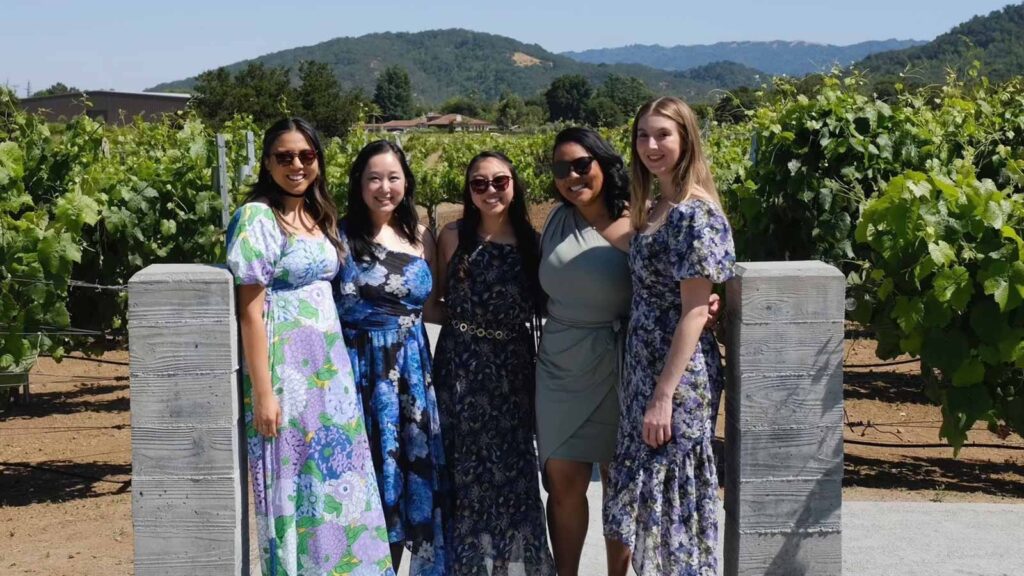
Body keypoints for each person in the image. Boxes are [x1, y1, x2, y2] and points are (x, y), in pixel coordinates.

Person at [226, 117, 394, 576]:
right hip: (287, 373)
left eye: (306, 155)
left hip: (329, 372)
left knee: (335, 479)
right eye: (285, 157)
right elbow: (249, 312)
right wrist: (263, 392)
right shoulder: (258, 217)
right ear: (266, 163)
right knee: (296, 483)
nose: (297, 165)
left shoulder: (320, 216)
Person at [603, 97, 736, 576]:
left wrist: (663, 395)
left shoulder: (694, 215)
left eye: (663, 135)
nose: (651, 145)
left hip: (675, 381)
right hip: (645, 373)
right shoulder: (660, 206)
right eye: (643, 136)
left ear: (686, 139)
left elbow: (695, 311)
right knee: (642, 508)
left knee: (671, 507)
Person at [432, 151, 556, 575]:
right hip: (459, 366)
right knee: (461, 468)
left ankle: (508, 567)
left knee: (511, 470)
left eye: (499, 181)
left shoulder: (531, 242)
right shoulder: (451, 236)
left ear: (514, 185)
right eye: (478, 184)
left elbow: (552, 303)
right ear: (468, 191)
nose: (489, 191)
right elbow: (433, 304)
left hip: (512, 370)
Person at [335, 140, 448, 576]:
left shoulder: (421, 235)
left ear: (406, 182)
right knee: (365, 484)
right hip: (360, 372)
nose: (385, 187)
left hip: (413, 374)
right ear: (359, 184)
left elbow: (434, 306)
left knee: (406, 484)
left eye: (393, 177)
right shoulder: (338, 235)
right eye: (374, 178)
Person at [536, 127, 632, 576]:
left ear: (602, 163)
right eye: (561, 168)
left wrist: (709, 302)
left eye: (581, 164)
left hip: (620, 365)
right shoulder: (557, 219)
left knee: (619, 486)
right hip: (559, 365)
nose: (572, 176)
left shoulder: (641, 219)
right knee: (564, 484)